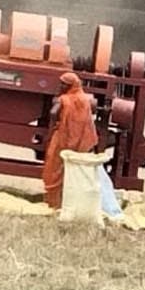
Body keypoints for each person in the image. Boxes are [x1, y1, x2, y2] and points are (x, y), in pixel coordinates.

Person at [42, 72, 99, 210]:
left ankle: (54, 202)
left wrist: (56, 111)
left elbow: (53, 113)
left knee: (54, 167)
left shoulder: (64, 99)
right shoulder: (85, 100)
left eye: (64, 84)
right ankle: (67, 203)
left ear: (71, 86)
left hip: (63, 139)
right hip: (80, 141)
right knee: (73, 172)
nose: (61, 86)